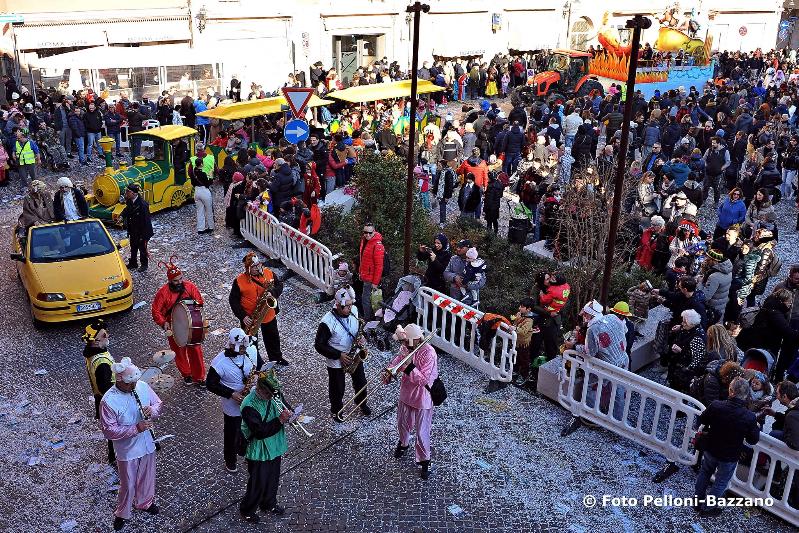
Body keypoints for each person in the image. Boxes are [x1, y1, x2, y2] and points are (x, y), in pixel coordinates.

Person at [100, 357, 163, 531]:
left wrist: (152, 410)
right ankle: (122, 512)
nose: (133, 386)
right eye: (129, 384)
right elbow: (109, 431)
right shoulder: (108, 401)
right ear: (119, 381)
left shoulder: (140, 386)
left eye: (135, 382)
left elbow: (157, 403)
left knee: (147, 476)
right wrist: (136, 428)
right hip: (127, 450)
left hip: (147, 443)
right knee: (128, 484)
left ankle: (145, 502)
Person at [693, 377, 760, 516]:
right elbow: (753, 440)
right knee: (720, 482)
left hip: (711, 449)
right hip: (729, 456)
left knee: (704, 473)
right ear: (746, 395)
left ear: (731, 391)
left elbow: (702, 419)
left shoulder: (716, 405)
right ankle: (707, 509)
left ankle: (697, 501)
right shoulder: (749, 417)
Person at [384, 323, 438, 480]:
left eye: (406, 342)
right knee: (402, 423)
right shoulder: (406, 346)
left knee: (422, 432)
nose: (403, 345)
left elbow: (424, 380)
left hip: (423, 397)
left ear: (416, 339)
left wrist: (409, 367)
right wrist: (389, 371)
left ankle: (425, 461)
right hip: (406, 393)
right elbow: (397, 361)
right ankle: (403, 443)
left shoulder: (429, 353)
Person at [206, 328, 261, 472]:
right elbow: (210, 384)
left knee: (251, 427)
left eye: (245, 347)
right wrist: (231, 394)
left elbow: (259, 367)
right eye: (241, 348)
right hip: (232, 405)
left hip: (250, 399)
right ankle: (230, 460)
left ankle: (244, 450)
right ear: (231, 346)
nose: (244, 350)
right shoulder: (219, 362)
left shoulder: (250, 351)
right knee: (232, 433)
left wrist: (256, 376)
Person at [239, 372, 291, 523]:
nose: (271, 396)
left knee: (273, 477)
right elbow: (259, 432)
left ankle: (269, 503)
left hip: (274, 443)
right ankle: (247, 509)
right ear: (260, 389)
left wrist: (289, 411)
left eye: (272, 393)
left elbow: (283, 403)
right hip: (259, 448)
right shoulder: (249, 405)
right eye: (267, 393)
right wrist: (280, 420)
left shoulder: (273, 392)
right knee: (258, 482)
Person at [315, 286, 371, 422]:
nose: (350, 309)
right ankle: (336, 410)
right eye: (347, 307)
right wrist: (338, 355)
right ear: (338, 306)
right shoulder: (327, 322)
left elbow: (359, 329)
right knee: (337, 388)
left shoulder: (354, 310)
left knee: (361, 382)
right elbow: (319, 345)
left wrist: (362, 337)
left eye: (351, 305)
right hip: (336, 359)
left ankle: (361, 402)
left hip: (354, 353)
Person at [151, 258, 207, 385]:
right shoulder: (163, 292)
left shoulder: (190, 287)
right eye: (175, 281)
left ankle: (200, 377)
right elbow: (156, 311)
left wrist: (195, 306)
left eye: (181, 279)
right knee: (179, 351)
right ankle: (186, 374)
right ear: (170, 280)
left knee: (196, 350)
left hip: (191, 324)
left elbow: (199, 302)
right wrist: (163, 323)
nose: (179, 282)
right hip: (173, 326)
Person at [229, 252, 288, 366]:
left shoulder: (269, 273)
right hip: (250, 317)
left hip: (268, 312)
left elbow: (279, 285)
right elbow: (233, 300)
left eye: (258, 265)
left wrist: (273, 292)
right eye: (254, 267)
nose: (257, 268)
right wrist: (243, 316)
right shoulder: (239, 281)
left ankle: (276, 357)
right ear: (248, 269)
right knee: (251, 342)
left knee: (273, 337)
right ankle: (254, 362)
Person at [83, 319, 116, 464]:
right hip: (110, 400)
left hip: (100, 399)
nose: (107, 336)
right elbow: (105, 386)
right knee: (116, 428)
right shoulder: (101, 362)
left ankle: (111, 455)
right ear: (95, 341)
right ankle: (117, 455)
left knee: (110, 428)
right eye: (104, 335)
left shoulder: (91, 354)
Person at [120, 184, 153, 272]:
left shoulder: (142, 205)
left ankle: (144, 265)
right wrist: (122, 216)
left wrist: (144, 236)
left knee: (142, 249)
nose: (126, 193)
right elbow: (128, 209)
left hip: (142, 232)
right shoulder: (131, 200)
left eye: (128, 191)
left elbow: (146, 222)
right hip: (133, 230)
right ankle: (133, 263)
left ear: (134, 193)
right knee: (133, 247)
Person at [358, 222, 385, 322]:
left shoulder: (377, 245)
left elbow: (379, 266)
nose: (367, 235)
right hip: (366, 275)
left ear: (374, 231)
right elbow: (363, 259)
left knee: (366, 300)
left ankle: (368, 319)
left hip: (371, 278)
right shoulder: (364, 240)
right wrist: (360, 272)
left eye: (370, 232)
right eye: (365, 232)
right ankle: (371, 318)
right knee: (368, 299)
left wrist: (375, 283)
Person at [763, 381, 799, 449]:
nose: (776, 397)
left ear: (784, 396)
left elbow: (795, 444)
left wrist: (785, 433)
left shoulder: (792, 415)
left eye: (777, 394)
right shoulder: (795, 406)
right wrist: (775, 414)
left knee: (774, 434)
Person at [189, 146, 215, 234]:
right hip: (205, 191)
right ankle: (210, 226)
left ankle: (201, 228)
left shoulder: (193, 173)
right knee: (208, 210)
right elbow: (208, 183)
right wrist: (211, 176)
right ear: (202, 164)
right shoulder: (203, 174)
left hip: (197, 191)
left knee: (199, 211)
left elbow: (192, 181)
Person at [511, 298, 536, 386]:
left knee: (524, 359)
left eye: (522, 307)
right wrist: (515, 320)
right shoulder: (520, 314)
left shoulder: (529, 320)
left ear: (528, 309)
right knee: (516, 357)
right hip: (517, 341)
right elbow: (515, 322)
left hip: (524, 343)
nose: (519, 308)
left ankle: (524, 375)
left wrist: (516, 328)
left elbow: (523, 331)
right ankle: (515, 370)